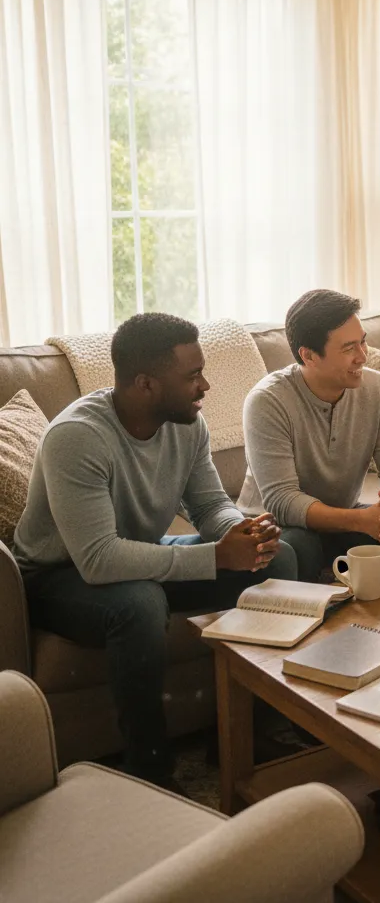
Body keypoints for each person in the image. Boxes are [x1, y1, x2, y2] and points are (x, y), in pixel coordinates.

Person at [14, 313, 295, 788]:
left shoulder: (187, 423)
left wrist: (241, 534)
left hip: (138, 551)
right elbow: (100, 559)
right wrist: (215, 557)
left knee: (279, 559)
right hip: (59, 574)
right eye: (192, 376)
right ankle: (149, 770)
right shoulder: (77, 437)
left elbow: (209, 505)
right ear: (145, 384)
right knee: (140, 604)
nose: (205, 385)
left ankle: (244, 735)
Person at [242, 289, 380, 583]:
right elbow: (282, 501)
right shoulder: (267, 401)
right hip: (279, 524)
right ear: (309, 356)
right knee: (301, 548)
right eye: (349, 348)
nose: (363, 356)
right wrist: (363, 521)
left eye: (363, 341)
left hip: (345, 519)